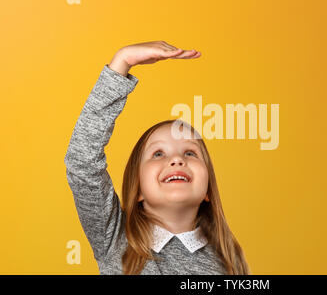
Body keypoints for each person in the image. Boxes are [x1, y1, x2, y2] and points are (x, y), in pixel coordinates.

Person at [64, 41, 250, 275]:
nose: (176, 160)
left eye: (190, 153)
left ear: (208, 191)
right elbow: (82, 162)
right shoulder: (115, 238)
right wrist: (122, 61)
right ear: (138, 188)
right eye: (158, 153)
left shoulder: (228, 262)